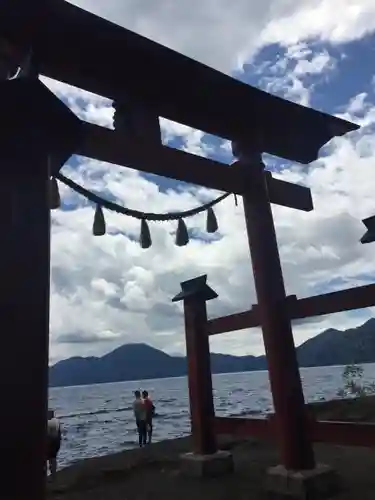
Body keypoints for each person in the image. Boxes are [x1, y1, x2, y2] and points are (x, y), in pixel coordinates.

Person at [46, 409, 61, 479]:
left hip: (50, 444)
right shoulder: (56, 421)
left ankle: (51, 476)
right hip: (55, 444)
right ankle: (53, 476)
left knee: (51, 461)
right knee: (53, 461)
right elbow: (59, 435)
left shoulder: (50, 423)